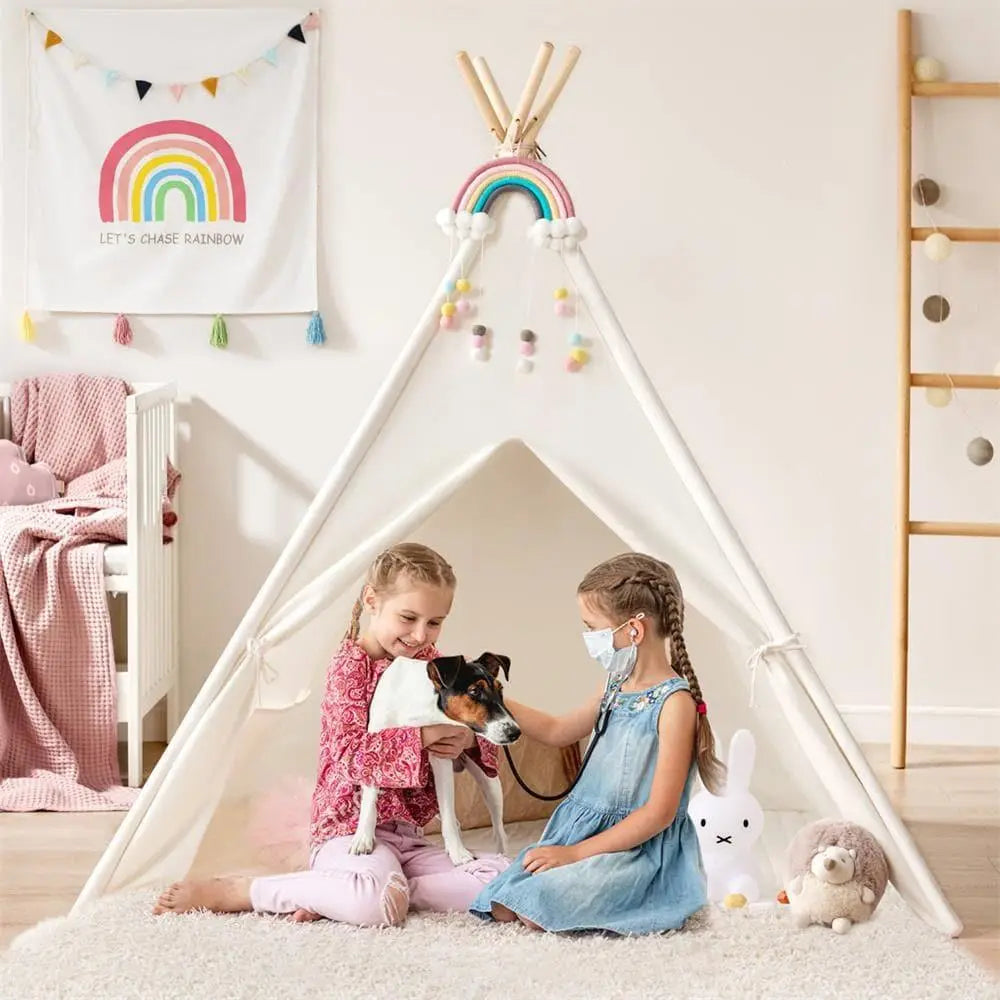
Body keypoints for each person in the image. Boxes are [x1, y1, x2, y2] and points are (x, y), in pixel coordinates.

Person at [153, 542, 509, 926]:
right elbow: (351, 757)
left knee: (506, 879)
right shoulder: (350, 667)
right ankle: (245, 891)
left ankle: (353, 890)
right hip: (349, 830)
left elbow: (465, 730)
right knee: (372, 906)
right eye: (408, 618)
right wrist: (426, 736)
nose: (421, 635)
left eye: (435, 622)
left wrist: (467, 740)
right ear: (372, 600)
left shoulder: (433, 668)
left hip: (409, 838)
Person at [469, 552, 725, 935]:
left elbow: (658, 814)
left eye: (593, 627)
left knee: (535, 909)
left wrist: (573, 855)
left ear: (634, 630)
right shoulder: (614, 684)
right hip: (586, 835)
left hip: (637, 848)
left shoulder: (675, 704)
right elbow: (558, 730)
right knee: (505, 904)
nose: (589, 638)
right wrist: (492, 700)